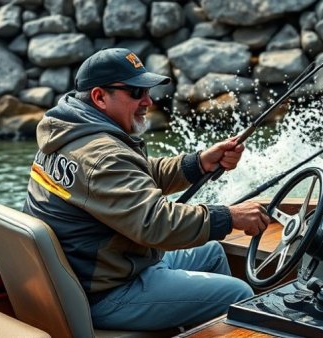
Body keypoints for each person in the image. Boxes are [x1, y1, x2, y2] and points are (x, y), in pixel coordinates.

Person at [22, 48, 270, 331]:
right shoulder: (101, 155)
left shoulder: (68, 132)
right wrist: (229, 217)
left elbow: (130, 178)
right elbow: (157, 224)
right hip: (108, 291)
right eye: (136, 93)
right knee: (238, 295)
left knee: (212, 252)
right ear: (99, 97)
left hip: (106, 268)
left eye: (147, 91)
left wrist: (198, 164)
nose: (148, 101)